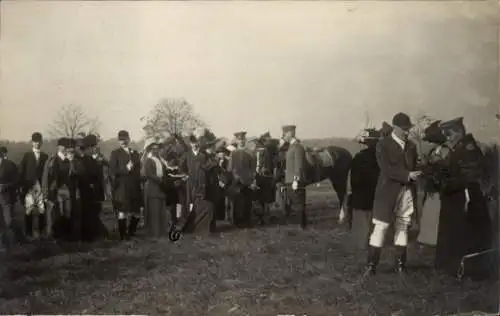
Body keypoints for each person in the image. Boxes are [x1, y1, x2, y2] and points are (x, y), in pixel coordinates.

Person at [434, 117, 493, 279]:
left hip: (466, 197)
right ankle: (453, 266)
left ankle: (465, 269)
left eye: (450, 134)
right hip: (457, 196)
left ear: (460, 132)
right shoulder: (459, 147)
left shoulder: (469, 148)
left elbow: (469, 175)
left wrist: (448, 185)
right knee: (456, 232)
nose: (447, 137)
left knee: (465, 234)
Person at [366, 112, 421, 275]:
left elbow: (414, 164)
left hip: (406, 191)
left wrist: (420, 169)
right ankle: (371, 266)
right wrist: (407, 175)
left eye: (408, 129)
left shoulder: (411, 146)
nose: (407, 132)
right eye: (404, 129)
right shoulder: (383, 144)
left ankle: (400, 265)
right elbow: (386, 168)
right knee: (381, 227)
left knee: (403, 225)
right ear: (395, 128)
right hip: (387, 192)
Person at [41, 138, 86, 241]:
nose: (66, 149)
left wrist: (72, 162)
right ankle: (52, 237)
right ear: (59, 147)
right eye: (64, 147)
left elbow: (81, 173)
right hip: (54, 192)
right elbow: (45, 177)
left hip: (69, 192)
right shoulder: (52, 160)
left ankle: (66, 238)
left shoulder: (73, 160)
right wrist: (45, 193)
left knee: (67, 214)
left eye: (67, 147)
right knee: (53, 215)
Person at [349, 128, 381, 250]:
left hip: (361, 194)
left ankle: (362, 243)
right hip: (377, 194)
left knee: (362, 221)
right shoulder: (381, 157)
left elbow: (354, 180)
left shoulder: (359, 157)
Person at [109, 130, 143, 240]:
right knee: (122, 211)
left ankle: (131, 232)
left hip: (134, 186)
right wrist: (125, 169)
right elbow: (112, 170)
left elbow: (138, 169)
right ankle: (123, 235)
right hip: (122, 187)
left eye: (124, 139)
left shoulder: (135, 153)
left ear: (128, 139)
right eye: (120, 140)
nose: (122, 142)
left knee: (137, 212)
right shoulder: (115, 153)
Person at [19, 132, 49, 239]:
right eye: (35, 142)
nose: (37, 144)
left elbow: (47, 172)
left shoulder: (45, 156)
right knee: (29, 209)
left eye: (39, 142)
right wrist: (22, 186)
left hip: (40, 185)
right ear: (32, 143)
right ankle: (28, 233)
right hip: (29, 186)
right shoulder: (27, 156)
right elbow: (21, 171)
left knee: (42, 209)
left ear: (41, 142)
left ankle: (40, 232)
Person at [81, 134, 108, 241]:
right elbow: (89, 173)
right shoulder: (85, 159)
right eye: (93, 146)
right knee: (90, 213)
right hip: (89, 191)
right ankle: (93, 234)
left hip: (96, 190)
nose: (94, 148)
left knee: (95, 211)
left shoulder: (96, 157)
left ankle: (97, 233)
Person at [227, 131, 257, 228]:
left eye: (243, 139)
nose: (241, 141)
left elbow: (253, 168)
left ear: (245, 140)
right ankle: (237, 221)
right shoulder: (233, 153)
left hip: (247, 181)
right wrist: (235, 177)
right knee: (237, 201)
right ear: (236, 140)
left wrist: (252, 179)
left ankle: (246, 221)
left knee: (247, 201)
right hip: (236, 181)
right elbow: (230, 168)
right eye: (239, 139)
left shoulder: (250, 152)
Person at [282, 125, 308, 229]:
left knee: (299, 203)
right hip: (289, 179)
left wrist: (296, 180)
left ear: (291, 133)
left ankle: (302, 225)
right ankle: (298, 223)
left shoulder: (297, 147)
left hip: (295, 180)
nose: (284, 135)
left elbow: (299, 165)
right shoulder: (291, 147)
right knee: (293, 202)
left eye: (286, 133)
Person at [0, 147, 20, 251]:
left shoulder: (9, 165)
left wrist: (5, 186)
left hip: (6, 198)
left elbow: (16, 180)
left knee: (8, 221)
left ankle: (13, 243)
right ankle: (2, 245)